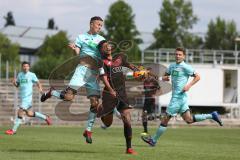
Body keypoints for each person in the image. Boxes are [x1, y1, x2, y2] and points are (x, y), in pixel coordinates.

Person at [41, 16, 105, 144]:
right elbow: (78, 53)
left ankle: (88, 130)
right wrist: (75, 49)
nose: (100, 27)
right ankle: (52, 92)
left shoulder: (102, 40)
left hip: (93, 74)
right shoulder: (81, 37)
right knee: (68, 97)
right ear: (91, 24)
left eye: (101, 25)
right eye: (98, 24)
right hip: (82, 70)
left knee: (95, 103)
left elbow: (104, 55)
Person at [141, 47, 223, 147]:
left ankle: (153, 140)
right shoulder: (171, 66)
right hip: (181, 98)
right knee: (189, 120)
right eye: (176, 54)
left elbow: (197, 77)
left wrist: (189, 85)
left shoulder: (186, 67)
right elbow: (165, 77)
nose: (177, 56)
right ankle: (212, 115)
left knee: (165, 119)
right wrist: (159, 77)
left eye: (180, 54)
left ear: (184, 56)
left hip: (178, 98)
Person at [97, 40, 139, 154]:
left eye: (109, 45)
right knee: (108, 123)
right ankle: (101, 109)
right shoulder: (101, 62)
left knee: (127, 119)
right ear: (101, 50)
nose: (108, 47)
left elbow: (129, 65)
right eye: (105, 46)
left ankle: (129, 148)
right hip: (109, 94)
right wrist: (110, 90)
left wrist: (137, 70)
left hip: (122, 94)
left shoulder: (119, 58)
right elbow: (103, 78)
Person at [5, 61, 51, 135]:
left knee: (20, 111)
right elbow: (18, 85)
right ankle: (45, 117)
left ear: (29, 67)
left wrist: (41, 90)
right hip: (22, 98)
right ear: (22, 67)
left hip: (28, 98)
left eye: (27, 66)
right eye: (24, 66)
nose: (25, 67)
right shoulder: (20, 75)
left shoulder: (32, 75)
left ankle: (13, 130)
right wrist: (14, 83)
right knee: (29, 113)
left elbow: (38, 82)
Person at [141, 68, 161, 136]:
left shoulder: (154, 81)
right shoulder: (145, 81)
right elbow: (145, 90)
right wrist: (143, 92)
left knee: (149, 116)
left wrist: (154, 95)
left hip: (152, 100)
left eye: (148, 72)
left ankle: (159, 116)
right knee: (144, 115)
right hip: (146, 100)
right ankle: (145, 130)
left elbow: (160, 90)